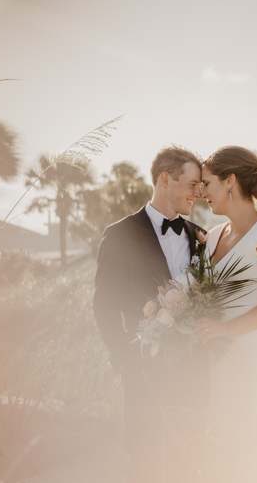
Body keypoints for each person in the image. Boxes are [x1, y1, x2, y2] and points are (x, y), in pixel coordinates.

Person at [93, 146, 209, 483]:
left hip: (194, 375)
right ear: (164, 179)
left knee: (188, 462)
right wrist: (127, 358)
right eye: (192, 185)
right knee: (143, 464)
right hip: (144, 372)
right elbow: (104, 305)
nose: (198, 194)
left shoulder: (200, 238)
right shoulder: (119, 234)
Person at [195, 146, 257, 483]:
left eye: (206, 183)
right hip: (220, 361)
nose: (202, 192)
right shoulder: (211, 239)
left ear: (230, 181)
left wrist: (228, 329)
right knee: (230, 452)